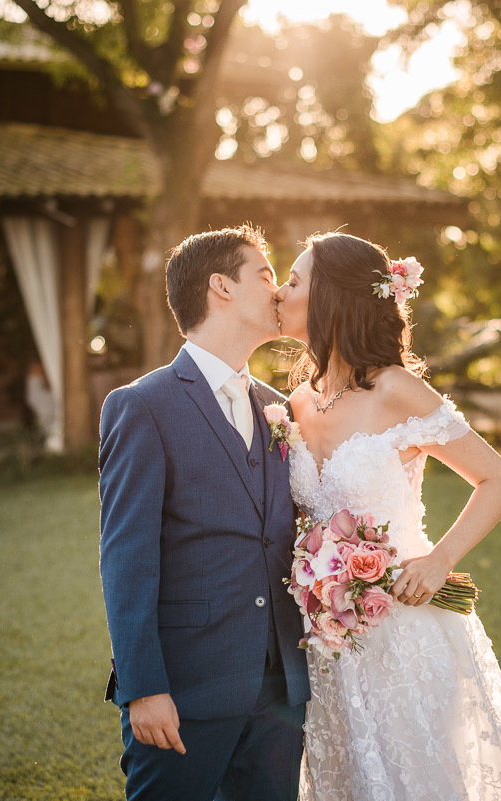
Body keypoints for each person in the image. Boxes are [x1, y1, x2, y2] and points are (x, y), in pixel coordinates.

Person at [275, 232, 501, 801]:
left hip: (405, 628)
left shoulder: (397, 389)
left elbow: (498, 478)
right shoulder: (296, 402)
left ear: (331, 298)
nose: (281, 292)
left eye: (295, 281)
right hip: (326, 638)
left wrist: (438, 560)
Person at [97, 225, 310, 801]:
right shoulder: (142, 405)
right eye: (265, 274)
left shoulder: (279, 408)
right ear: (221, 286)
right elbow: (126, 559)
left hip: (279, 694)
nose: (279, 290)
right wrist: (143, 688)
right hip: (185, 688)